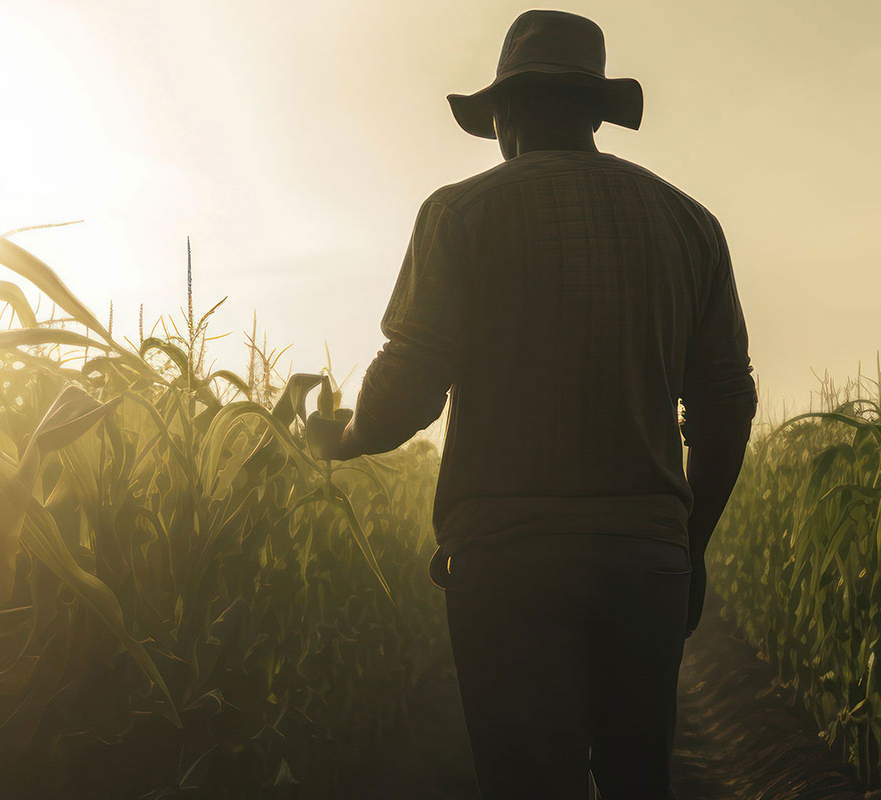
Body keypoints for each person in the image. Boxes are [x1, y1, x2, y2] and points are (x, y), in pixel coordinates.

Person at [310, 9, 757, 799]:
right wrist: (690, 546)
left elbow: (410, 379)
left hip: (509, 561)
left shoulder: (459, 214)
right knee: (634, 781)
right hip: (645, 561)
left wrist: (341, 438)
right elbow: (726, 406)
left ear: (505, 114)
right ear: (594, 113)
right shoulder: (692, 225)